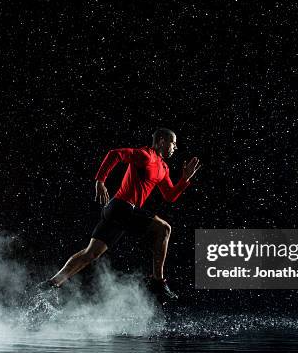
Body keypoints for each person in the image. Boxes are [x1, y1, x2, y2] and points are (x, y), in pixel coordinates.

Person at [38, 128, 201, 302]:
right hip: (121, 207)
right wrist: (100, 181)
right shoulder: (145, 155)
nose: (175, 147)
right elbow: (114, 154)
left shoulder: (163, 167)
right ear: (161, 141)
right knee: (164, 229)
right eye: (173, 143)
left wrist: (185, 179)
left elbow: (170, 196)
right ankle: (158, 282)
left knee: (91, 253)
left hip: (120, 212)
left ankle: (52, 283)